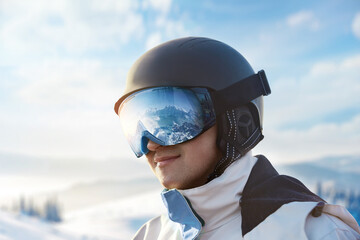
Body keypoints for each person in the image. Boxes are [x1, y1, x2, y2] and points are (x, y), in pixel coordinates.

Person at [114, 37, 360, 240]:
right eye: (139, 128)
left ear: (235, 122)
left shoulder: (314, 232)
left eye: (171, 123)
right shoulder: (152, 235)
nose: (151, 143)